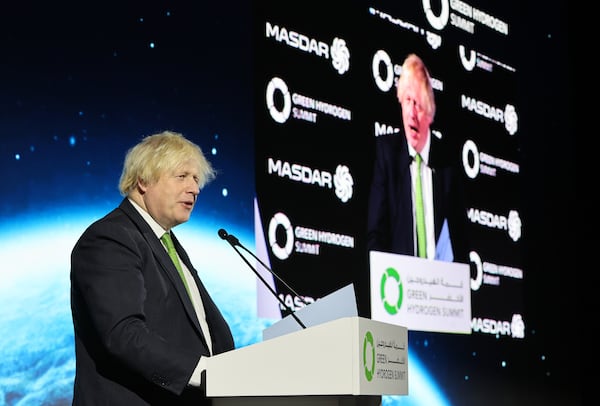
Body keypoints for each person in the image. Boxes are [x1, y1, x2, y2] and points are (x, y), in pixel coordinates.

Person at [70, 130, 235, 405]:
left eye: (196, 179)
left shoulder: (167, 242)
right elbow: (124, 334)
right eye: (182, 176)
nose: (194, 188)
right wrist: (206, 373)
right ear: (143, 181)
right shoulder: (110, 237)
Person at [367, 53, 468, 263]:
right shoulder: (387, 155)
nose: (411, 113)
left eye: (418, 105)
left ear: (430, 113)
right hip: (401, 285)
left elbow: (460, 239)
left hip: (440, 285)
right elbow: (375, 234)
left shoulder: (448, 164)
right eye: (407, 101)